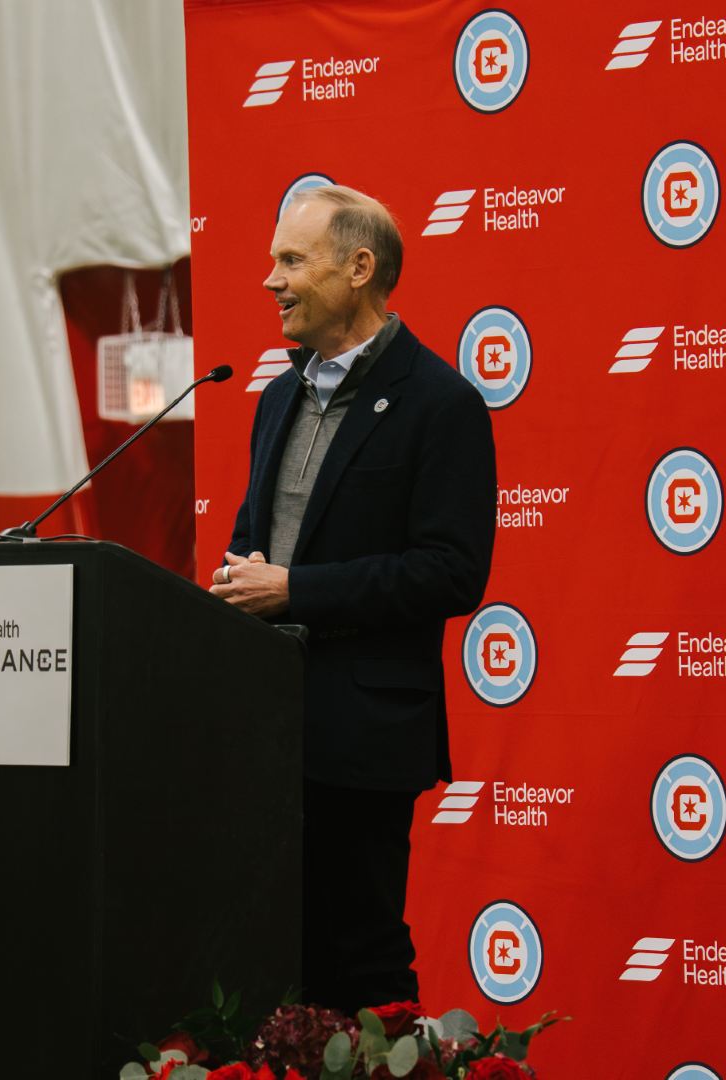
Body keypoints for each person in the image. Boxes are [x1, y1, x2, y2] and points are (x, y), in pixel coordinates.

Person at [208, 185, 496, 1013]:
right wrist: (234, 586)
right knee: (268, 950)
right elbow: (250, 545)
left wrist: (293, 590)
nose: (270, 280)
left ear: (359, 268)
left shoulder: (440, 404)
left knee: (360, 954)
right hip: (264, 730)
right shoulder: (275, 396)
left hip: (363, 733)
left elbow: (449, 571)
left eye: (291, 261)